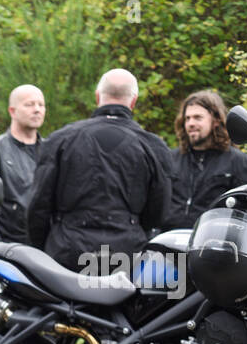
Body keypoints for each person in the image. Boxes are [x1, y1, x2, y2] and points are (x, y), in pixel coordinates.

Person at [27, 69, 171, 272]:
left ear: (97, 97)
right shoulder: (153, 146)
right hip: (126, 255)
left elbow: (38, 206)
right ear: (133, 101)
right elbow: (158, 212)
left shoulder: (60, 140)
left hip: (67, 252)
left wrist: (44, 249)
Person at [164, 90, 247, 230]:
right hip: (168, 241)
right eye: (187, 118)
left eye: (197, 117)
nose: (190, 123)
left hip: (211, 243)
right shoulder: (171, 159)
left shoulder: (239, 162)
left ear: (216, 121)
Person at [0, 84, 46, 242]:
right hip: (9, 248)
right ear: (12, 111)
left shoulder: (51, 152)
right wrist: (0, 251)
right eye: (29, 104)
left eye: (41, 105)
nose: (37, 109)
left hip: (47, 248)